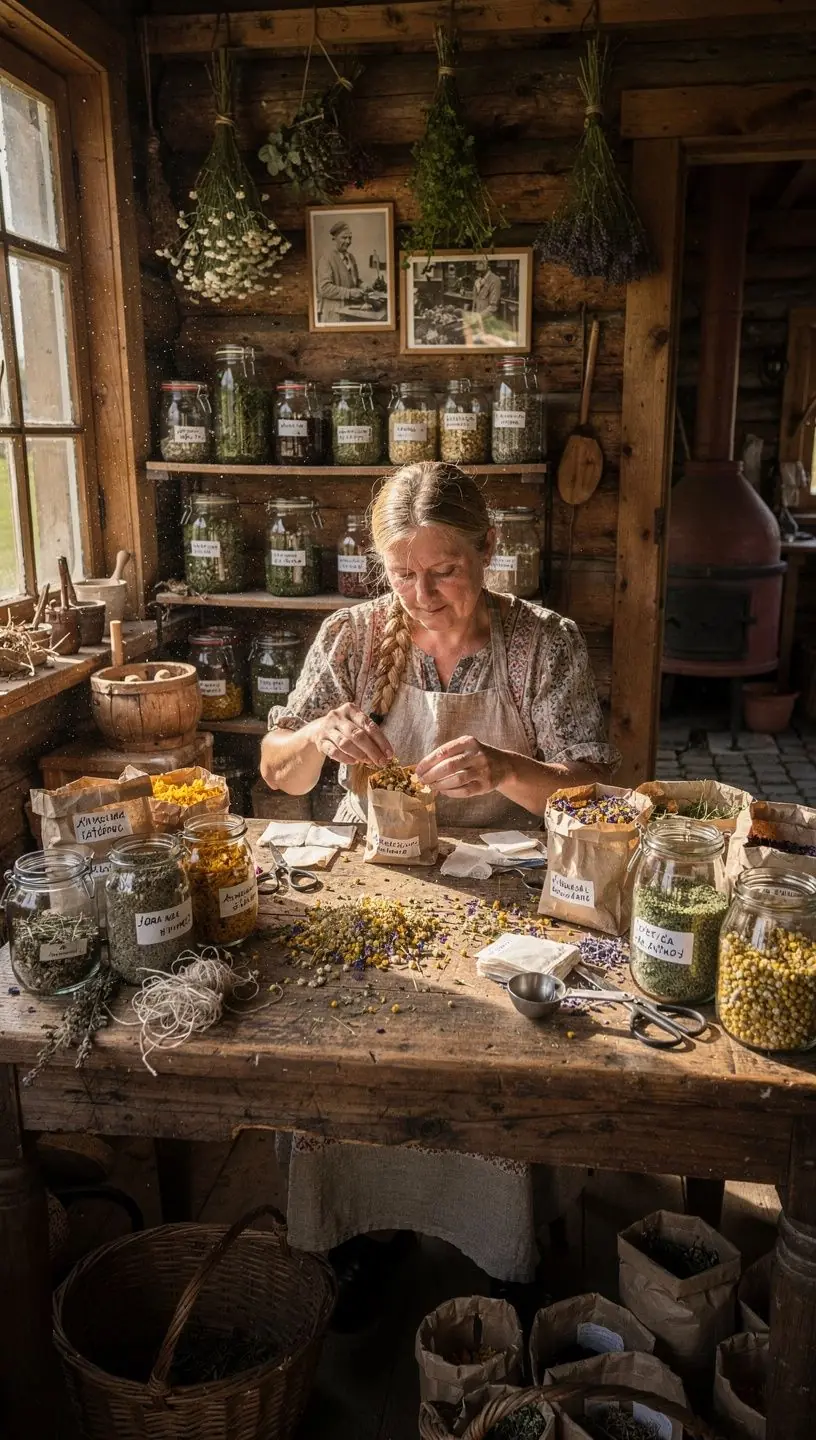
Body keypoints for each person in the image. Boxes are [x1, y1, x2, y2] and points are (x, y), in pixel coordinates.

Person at [260, 463, 618, 1315]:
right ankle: (357, 1226)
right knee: (350, 1036)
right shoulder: (351, 637)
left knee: (503, 1050)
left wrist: (506, 767)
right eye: (401, 574)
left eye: (444, 571)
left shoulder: (543, 642)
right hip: (381, 879)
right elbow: (276, 772)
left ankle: (506, 1241)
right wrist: (317, 731)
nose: (420, 594)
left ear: (489, 552)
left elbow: (598, 798)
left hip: (517, 890)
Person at [316, 220, 366, 323]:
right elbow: (324, 288)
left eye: (350, 238)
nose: (348, 241)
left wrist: (363, 285)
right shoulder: (326, 258)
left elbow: (353, 281)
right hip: (333, 315)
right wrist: (350, 293)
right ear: (334, 239)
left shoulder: (351, 257)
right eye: (344, 237)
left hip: (350, 311)